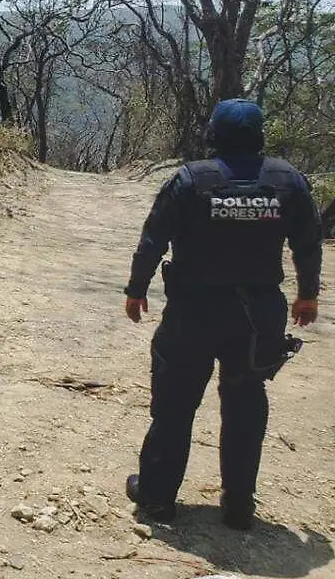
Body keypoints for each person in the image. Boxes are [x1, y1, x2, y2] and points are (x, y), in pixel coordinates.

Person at [122, 98, 322, 530]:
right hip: (257, 315)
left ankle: (156, 498)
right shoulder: (287, 181)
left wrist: (136, 290)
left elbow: (153, 239)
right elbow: (308, 243)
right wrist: (307, 295)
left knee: (175, 404)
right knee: (246, 404)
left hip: (193, 312)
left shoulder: (192, 179)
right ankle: (238, 504)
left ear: (213, 134)